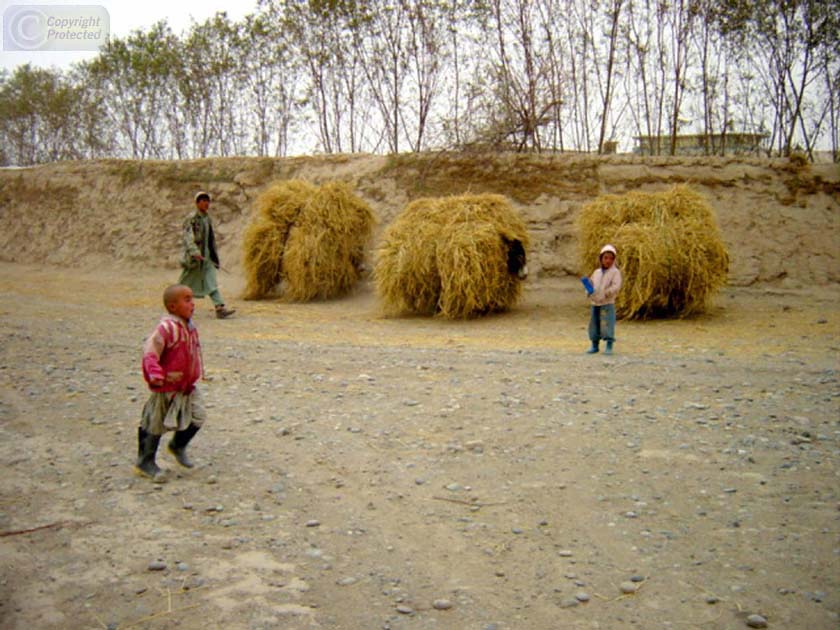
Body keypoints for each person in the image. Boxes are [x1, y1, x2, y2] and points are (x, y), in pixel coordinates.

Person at [135, 284, 207, 482]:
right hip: (166, 386)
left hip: (186, 387)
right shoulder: (166, 328)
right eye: (187, 300)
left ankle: (178, 446)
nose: (192, 304)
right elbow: (150, 353)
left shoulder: (189, 327)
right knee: (154, 423)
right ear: (172, 306)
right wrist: (156, 375)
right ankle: (145, 461)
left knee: (198, 415)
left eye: (192, 299)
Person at [178, 191, 235, 319]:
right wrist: (194, 252)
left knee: (211, 281)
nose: (206, 203)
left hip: (207, 257)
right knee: (184, 283)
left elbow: (210, 239)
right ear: (197, 203)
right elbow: (187, 237)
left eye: (207, 201)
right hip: (195, 259)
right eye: (203, 200)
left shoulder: (206, 218)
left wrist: (212, 255)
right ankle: (175, 303)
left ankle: (219, 307)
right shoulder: (191, 218)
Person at [585, 244, 622, 355]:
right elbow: (591, 283)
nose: (608, 261)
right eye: (605, 258)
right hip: (595, 303)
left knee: (607, 323)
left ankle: (609, 345)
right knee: (594, 324)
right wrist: (588, 290)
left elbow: (616, 286)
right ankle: (594, 344)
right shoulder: (596, 273)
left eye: (611, 258)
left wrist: (607, 293)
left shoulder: (615, 273)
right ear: (601, 258)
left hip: (607, 302)